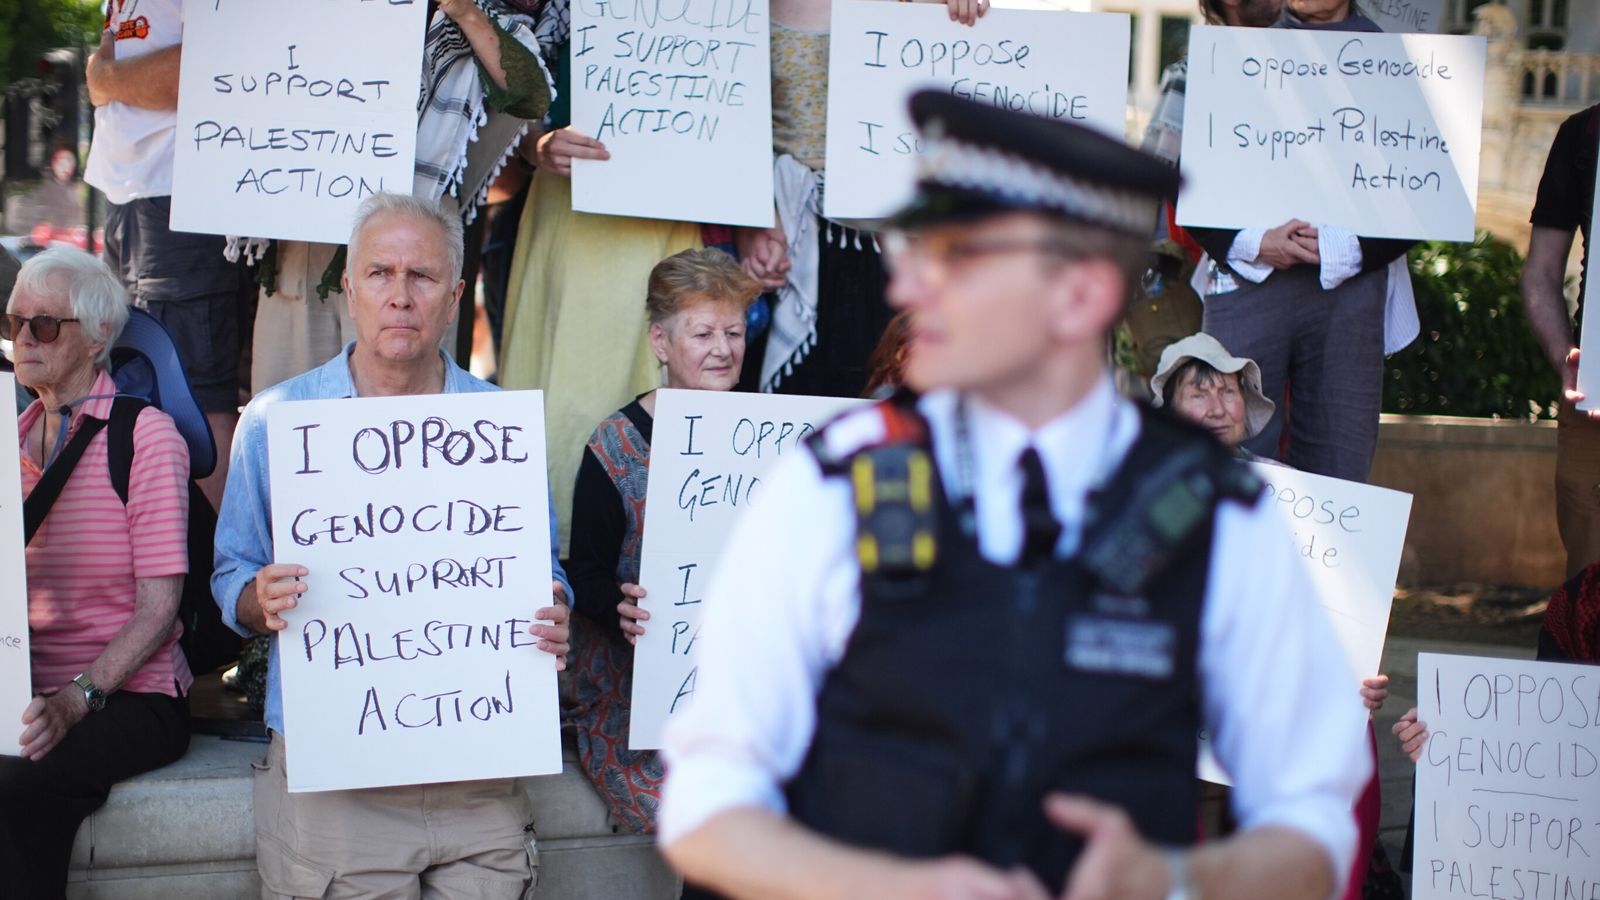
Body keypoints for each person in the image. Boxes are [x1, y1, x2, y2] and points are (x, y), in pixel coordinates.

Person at [659, 91, 1371, 900]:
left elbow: (1311, 821)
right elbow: (706, 803)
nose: (906, 287)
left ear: (1079, 296)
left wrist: (1178, 879)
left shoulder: (1210, 509)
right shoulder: (834, 486)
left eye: (956, 255)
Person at [211, 193, 572, 898]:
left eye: (422, 277)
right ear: (348, 290)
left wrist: (555, 605)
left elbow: (545, 571)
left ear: (456, 297)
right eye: (379, 274)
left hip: (477, 773)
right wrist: (259, 599)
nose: (399, 296)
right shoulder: (279, 422)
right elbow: (231, 579)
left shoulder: (499, 429)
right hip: (339, 778)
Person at [1151, 330, 1398, 900]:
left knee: (1350, 733)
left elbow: (1329, 619)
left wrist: (1356, 674)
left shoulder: (1295, 499)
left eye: (1230, 391)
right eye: (1200, 391)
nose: (1218, 407)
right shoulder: (1144, 489)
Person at [0, 248, 192, 898]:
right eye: (13, 322)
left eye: (45, 325)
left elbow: (158, 608)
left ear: (98, 336)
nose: (24, 338)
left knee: (14, 786)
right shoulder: (3, 440)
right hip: (19, 686)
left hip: (128, 696)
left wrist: (74, 700)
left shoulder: (146, 437)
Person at [245, 0, 553, 397]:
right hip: (306, 242)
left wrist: (464, 11)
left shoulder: (469, 14)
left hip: (415, 243)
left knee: (413, 410)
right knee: (294, 411)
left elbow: (530, 96)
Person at [563, 249, 761, 837]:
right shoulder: (615, 445)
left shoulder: (769, 435)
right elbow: (587, 572)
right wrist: (618, 606)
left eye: (733, 332)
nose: (723, 350)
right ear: (660, 341)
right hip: (639, 696)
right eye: (702, 333)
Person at [1186, 0, 1417, 483]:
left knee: (1340, 462)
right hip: (1246, 282)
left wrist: (1348, 250)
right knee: (1226, 455)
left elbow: (1423, 184)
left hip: (1353, 291)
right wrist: (1253, 242)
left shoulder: (1396, 58)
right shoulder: (1240, 44)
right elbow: (1189, 178)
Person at [87, 0, 251, 511]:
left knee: (198, 398)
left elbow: (202, 71)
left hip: (185, 198)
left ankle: (218, 575)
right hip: (133, 197)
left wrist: (106, 76)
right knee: (137, 384)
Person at [1522, 102, 1600, 580]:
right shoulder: (1582, 136)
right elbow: (1541, 275)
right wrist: (1562, 354)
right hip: (1594, 398)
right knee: (1591, 590)